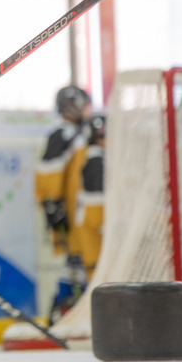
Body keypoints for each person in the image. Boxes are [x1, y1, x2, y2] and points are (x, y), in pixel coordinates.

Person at [35, 85, 91, 323]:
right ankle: (63, 311)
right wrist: (52, 204)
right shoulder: (63, 134)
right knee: (78, 260)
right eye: (83, 105)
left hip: (83, 212)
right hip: (72, 213)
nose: (87, 110)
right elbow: (49, 172)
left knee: (77, 263)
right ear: (71, 106)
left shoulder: (81, 134)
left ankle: (65, 311)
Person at [67, 112, 105, 288]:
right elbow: (95, 200)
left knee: (96, 276)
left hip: (89, 222)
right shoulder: (95, 157)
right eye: (101, 137)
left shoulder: (95, 155)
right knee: (97, 276)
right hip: (92, 225)